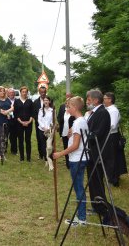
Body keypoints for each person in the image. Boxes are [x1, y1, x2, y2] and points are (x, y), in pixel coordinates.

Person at [53, 96, 89, 226]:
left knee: (78, 188)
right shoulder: (79, 121)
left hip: (77, 159)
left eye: (68, 106)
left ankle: (81, 219)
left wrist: (60, 154)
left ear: (74, 107)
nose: (67, 108)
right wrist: (71, 132)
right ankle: (81, 216)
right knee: (78, 187)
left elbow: (75, 145)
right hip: (80, 157)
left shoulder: (79, 122)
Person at [86, 89, 112, 219]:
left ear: (96, 100)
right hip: (91, 152)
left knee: (97, 180)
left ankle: (102, 207)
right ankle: (96, 205)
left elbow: (98, 133)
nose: (87, 102)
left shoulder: (102, 113)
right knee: (92, 180)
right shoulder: (94, 112)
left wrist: (85, 135)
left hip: (98, 153)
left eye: (89, 100)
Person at [103, 92, 127, 187]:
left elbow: (112, 125)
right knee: (111, 157)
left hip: (112, 136)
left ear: (110, 99)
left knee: (112, 157)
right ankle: (112, 176)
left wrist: (102, 128)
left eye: (105, 98)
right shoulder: (108, 109)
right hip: (110, 135)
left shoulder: (113, 110)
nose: (103, 100)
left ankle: (114, 179)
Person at [0, 86, 13, 161]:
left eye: (3, 91)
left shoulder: (7, 99)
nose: (2, 92)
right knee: (1, 137)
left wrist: (6, 112)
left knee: (5, 138)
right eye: (1, 91)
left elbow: (12, 107)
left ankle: (3, 152)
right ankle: (0, 154)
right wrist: (6, 112)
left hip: (7, 120)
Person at [15, 86, 34, 162]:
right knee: (20, 140)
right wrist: (21, 122)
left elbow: (32, 113)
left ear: (27, 93)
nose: (24, 93)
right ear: (20, 92)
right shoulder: (17, 101)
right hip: (19, 123)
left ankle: (28, 157)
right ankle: (22, 157)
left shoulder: (30, 101)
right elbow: (15, 113)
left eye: (26, 92)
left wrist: (29, 121)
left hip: (29, 123)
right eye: (23, 92)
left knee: (28, 140)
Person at [57, 94, 75, 169]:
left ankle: (72, 162)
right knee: (65, 147)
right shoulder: (63, 109)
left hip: (71, 133)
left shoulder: (73, 111)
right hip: (64, 132)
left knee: (71, 147)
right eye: (66, 102)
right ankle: (67, 163)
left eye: (69, 102)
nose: (67, 103)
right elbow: (59, 119)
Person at [37, 96, 54, 162]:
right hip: (42, 130)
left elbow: (53, 120)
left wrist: (49, 128)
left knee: (49, 145)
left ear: (49, 101)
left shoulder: (52, 110)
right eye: (44, 100)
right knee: (43, 145)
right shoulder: (40, 110)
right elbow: (39, 120)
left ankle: (50, 158)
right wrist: (44, 127)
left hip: (50, 130)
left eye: (47, 100)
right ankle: (46, 159)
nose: (45, 101)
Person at [33, 86, 47, 160]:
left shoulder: (49, 100)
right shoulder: (35, 102)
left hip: (47, 124)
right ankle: (41, 154)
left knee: (47, 139)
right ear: (39, 92)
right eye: (41, 92)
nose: (43, 93)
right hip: (38, 124)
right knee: (39, 139)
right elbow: (34, 113)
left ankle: (47, 154)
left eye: (44, 92)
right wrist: (39, 121)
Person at [7, 88, 18, 155]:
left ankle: (14, 150)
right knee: (5, 135)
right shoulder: (5, 100)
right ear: (8, 93)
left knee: (14, 136)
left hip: (15, 119)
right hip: (7, 119)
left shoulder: (17, 101)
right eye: (10, 92)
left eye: (13, 92)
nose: (12, 94)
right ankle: (4, 149)